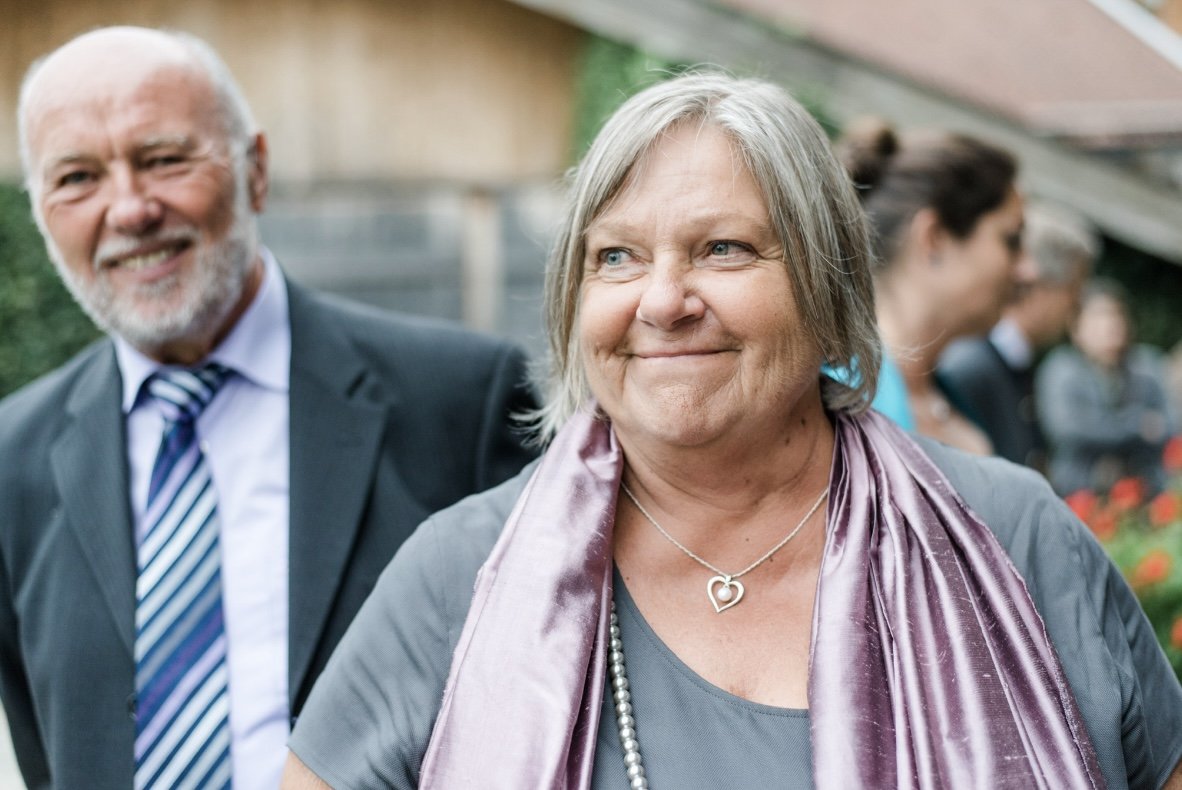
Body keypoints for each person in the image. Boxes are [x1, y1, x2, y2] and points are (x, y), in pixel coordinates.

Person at [282, 74, 1182, 789]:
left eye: (723, 249)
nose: (663, 301)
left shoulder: (1013, 540)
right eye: (617, 257)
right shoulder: (457, 578)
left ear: (828, 292)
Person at [0, 26, 537, 790]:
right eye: (77, 177)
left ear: (255, 170)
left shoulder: (460, 401)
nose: (130, 209)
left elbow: (541, 700)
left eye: (164, 159)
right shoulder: (13, 460)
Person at [836, 119, 1029, 454]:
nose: (1027, 269)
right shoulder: (833, 405)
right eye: (1010, 240)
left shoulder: (953, 404)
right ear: (935, 238)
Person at [939, 203, 1098, 470]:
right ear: (1040, 283)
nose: (1075, 308)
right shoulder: (969, 367)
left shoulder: (1009, 363)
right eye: (1073, 292)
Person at [1037, 278, 1174, 496]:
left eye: (1116, 315)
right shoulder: (1061, 368)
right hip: (1079, 492)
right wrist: (1137, 424)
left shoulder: (1147, 365)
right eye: (1099, 316)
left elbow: (1172, 422)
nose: (1110, 325)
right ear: (1076, 327)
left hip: (1145, 488)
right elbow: (1068, 429)